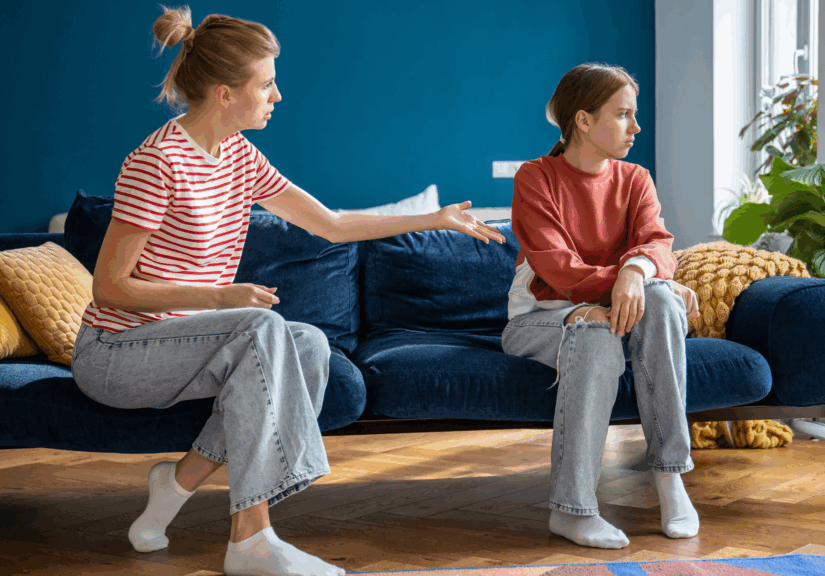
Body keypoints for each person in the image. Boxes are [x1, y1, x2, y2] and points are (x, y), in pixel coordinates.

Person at [70, 6, 505, 576]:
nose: (278, 95)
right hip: (117, 354)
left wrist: (434, 219)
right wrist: (220, 299)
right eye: (268, 83)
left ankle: (178, 484)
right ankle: (252, 538)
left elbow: (331, 224)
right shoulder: (157, 162)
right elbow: (110, 288)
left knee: (308, 345)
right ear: (226, 93)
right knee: (262, 328)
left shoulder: (240, 157)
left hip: (182, 345)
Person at [500, 63, 701, 550]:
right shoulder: (536, 177)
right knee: (609, 327)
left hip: (617, 317)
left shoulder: (636, 179)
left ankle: (670, 476)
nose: (636, 127)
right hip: (539, 321)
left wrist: (639, 274)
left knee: (656, 296)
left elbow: (659, 246)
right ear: (584, 120)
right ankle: (572, 510)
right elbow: (560, 270)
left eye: (635, 115)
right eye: (624, 115)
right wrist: (641, 280)